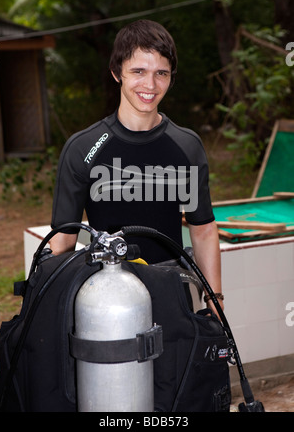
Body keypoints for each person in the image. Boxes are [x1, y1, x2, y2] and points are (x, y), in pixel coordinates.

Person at [50, 19, 223, 313]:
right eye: (138, 71)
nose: (150, 85)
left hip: (173, 295)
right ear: (117, 73)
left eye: (161, 73)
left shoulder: (186, 146)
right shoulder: (83, 149)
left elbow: (203, 230)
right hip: (106, 300)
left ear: (171, 77)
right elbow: (62, 243)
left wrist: (215, 301)